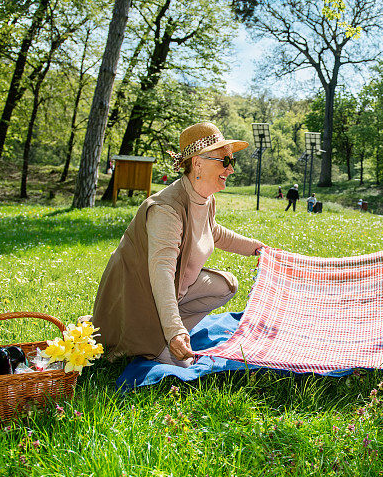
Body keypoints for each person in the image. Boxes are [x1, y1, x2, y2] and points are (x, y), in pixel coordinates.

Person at [91, 122, 266, 366]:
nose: (231, 170)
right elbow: (161, 271)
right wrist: (174, 330)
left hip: (172, 288)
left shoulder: (205, 198)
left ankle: (173, 331)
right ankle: (160, 337)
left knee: (226, 285)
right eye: (224, 161)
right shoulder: (166, 209)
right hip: (141, 298)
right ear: (197, 163)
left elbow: (212, 231)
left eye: (232, 162)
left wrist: (258, 249)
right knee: (185, 363)